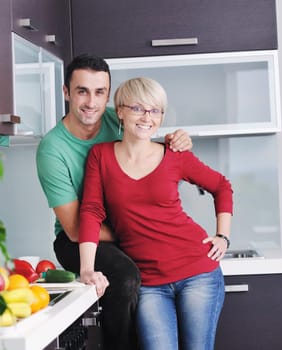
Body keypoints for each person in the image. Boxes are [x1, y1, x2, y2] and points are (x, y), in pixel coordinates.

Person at [36, 54, 193, 350]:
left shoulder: (119, 119)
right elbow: (73, 228)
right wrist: (141, 233)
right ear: (66, 92)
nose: (91, 102)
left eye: (100, 92)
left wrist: (176, 140)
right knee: (125, 276)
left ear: (110, 95)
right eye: (82, 91)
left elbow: (153, 152)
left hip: (124, 231)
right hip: (78, 239)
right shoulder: (52, 149)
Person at [78, 77, 233, 350]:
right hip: (149, 283)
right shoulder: (100, 156)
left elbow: (221, 186)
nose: (147, 117)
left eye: (156, 110)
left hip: (198, 273)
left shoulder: (175, 154)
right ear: (121, 112)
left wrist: (223, 235)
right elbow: (91, 211)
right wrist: (87, 268)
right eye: (138, 108)